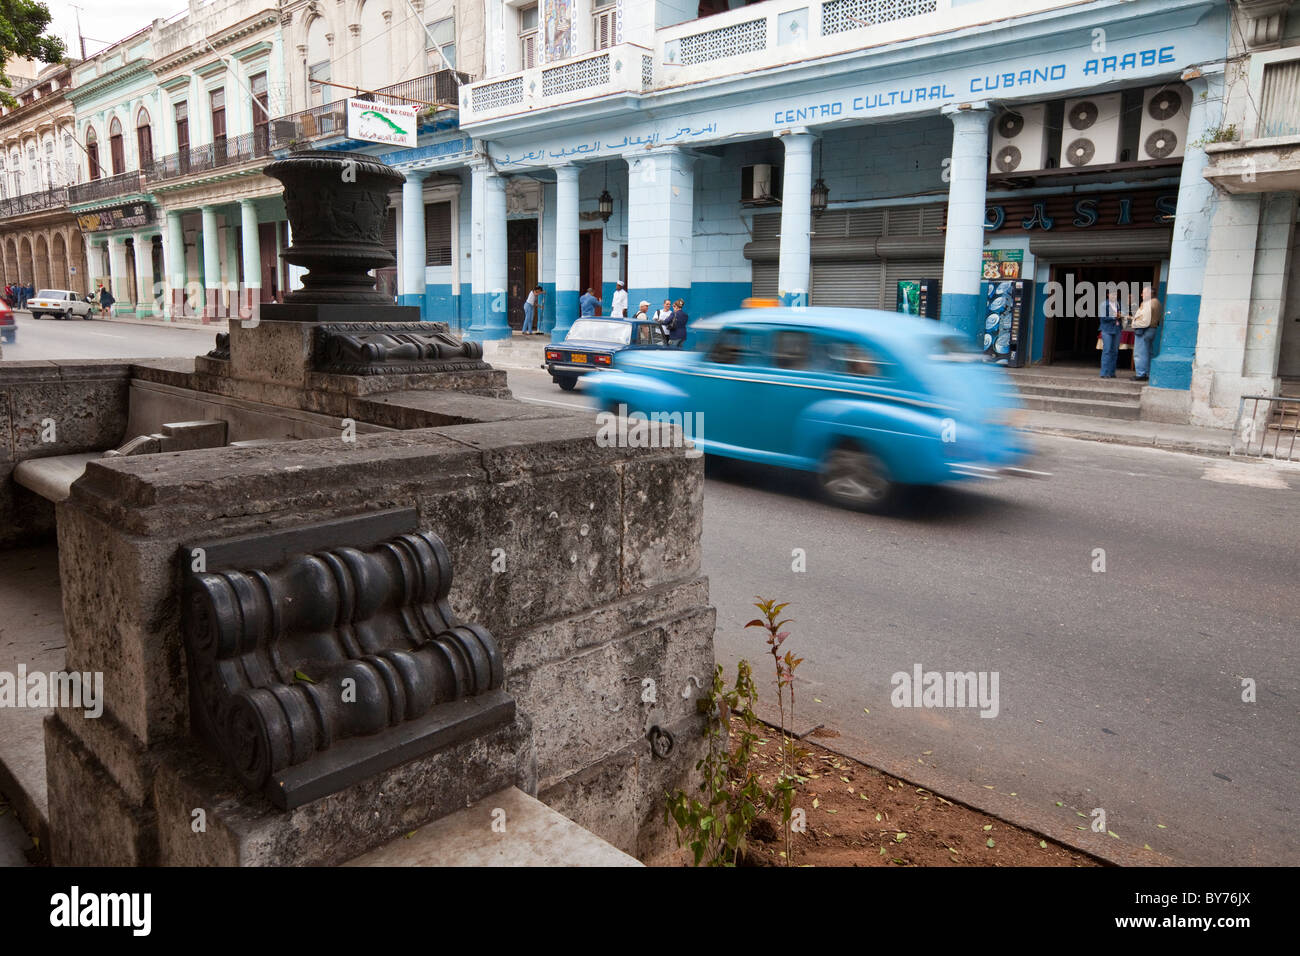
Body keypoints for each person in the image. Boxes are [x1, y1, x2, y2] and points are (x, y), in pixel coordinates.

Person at [1127, 285, 1162, 382]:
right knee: (1148, 352)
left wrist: (1134, 324)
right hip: (1152, 329)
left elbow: (1145, 320)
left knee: (1140, 353)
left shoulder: (1148, 303)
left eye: (1143, 292)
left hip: (1144, 330)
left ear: (1149, 293)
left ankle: (1141, 374)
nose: (1141, 294)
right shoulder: (1157, 302)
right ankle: (1147, 373)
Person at [1097, 288, 1122, 379]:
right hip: (1107, 329)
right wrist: (1114, 317)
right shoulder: (1104, 304)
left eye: (1115, 294)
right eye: (1112, 294)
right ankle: (1104, 373)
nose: (1114, 296)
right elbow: (1103, 318)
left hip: (1117, 329)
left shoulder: (1118, 304)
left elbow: (1122, 314)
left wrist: (1121, 316)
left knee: (1115, 351)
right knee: (1107, 351)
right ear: (1108, 295)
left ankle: (1112, 372)